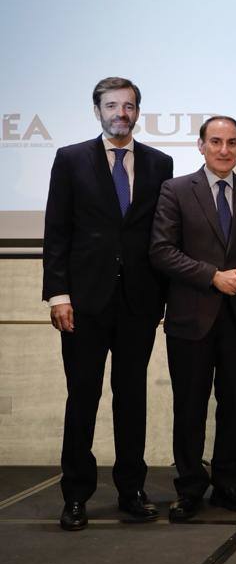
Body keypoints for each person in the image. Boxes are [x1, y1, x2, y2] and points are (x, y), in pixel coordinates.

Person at [43, 77, 173, 531]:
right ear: (97, 110)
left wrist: (163, 297)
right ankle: (75, 495)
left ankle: (131, 491)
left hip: (138, 302)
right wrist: (58, 294)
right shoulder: (71, 158)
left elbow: (163, 234)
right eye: (112, 105)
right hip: (83, 303)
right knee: (83, 398)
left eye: (129, 105)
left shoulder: (160, 163)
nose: (121, 112)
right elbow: (57, 231)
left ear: (139, 112)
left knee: (131, 398)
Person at [150, 116, 236, 521]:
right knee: (189, 407)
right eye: (215, 141)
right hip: (191, 318)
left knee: (233, 406)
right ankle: (188, 488)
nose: (224, 149)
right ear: (200, 146)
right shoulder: (176, 189)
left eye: (232, 142)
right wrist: (212, 276)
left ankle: (229, 486)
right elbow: (162, 251)